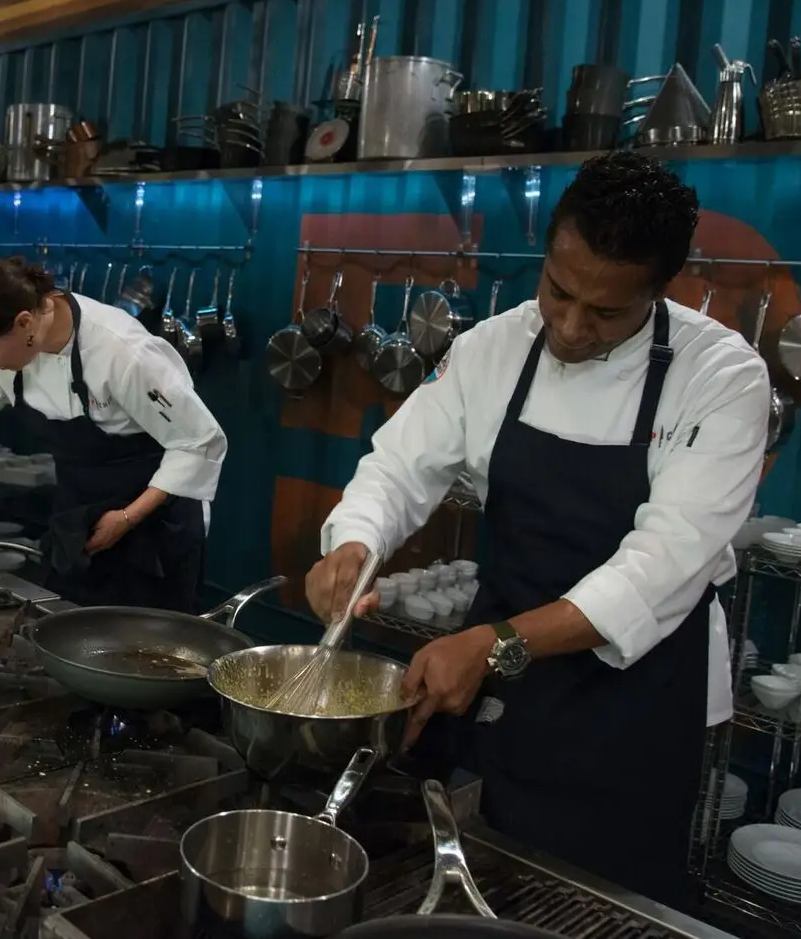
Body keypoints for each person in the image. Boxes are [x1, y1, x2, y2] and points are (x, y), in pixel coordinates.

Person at [305, 152, 769, 911]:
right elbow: (398, 467)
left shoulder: (721, 378)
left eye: (605, 313)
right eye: (557, 290)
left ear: (660, 291)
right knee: (476, 872)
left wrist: (493, 645)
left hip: (635, 702)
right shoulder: (493, 347)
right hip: (499, 681)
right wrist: (354, 543)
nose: (570, 325)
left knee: (597, 903)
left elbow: (659, 568)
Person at [0, 257, 226, 612]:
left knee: (147, 648)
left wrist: (127, 518)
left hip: (154, 523)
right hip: (80, 513)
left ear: (25, 322)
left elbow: (198, 442)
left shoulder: (122, 352)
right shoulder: (10, 342)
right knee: (70, 625)